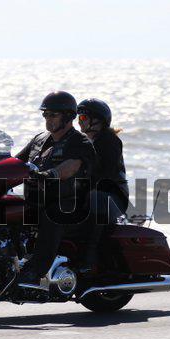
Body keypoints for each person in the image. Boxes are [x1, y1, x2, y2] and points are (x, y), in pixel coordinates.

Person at [15, 91, 95, 285]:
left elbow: (72, 166)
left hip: (69, 202)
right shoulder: (39, 139)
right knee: (5, 210)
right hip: (37, 199)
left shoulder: (80, 142)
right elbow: (16, 162)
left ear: (68, 117)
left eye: (53, 115)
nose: (48, 119)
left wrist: (51, 174)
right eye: (45, 114)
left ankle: (35, 270)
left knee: (54, 214)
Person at [77, 98, 129, 270]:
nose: (79, 121)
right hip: (95, 191)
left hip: (113, 196)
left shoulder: (109, 140)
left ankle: (89, 256)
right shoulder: (84, 141)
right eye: (78, 117)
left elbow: (105, 174)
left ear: (97, 120)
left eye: (83, 118)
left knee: (96, 198)